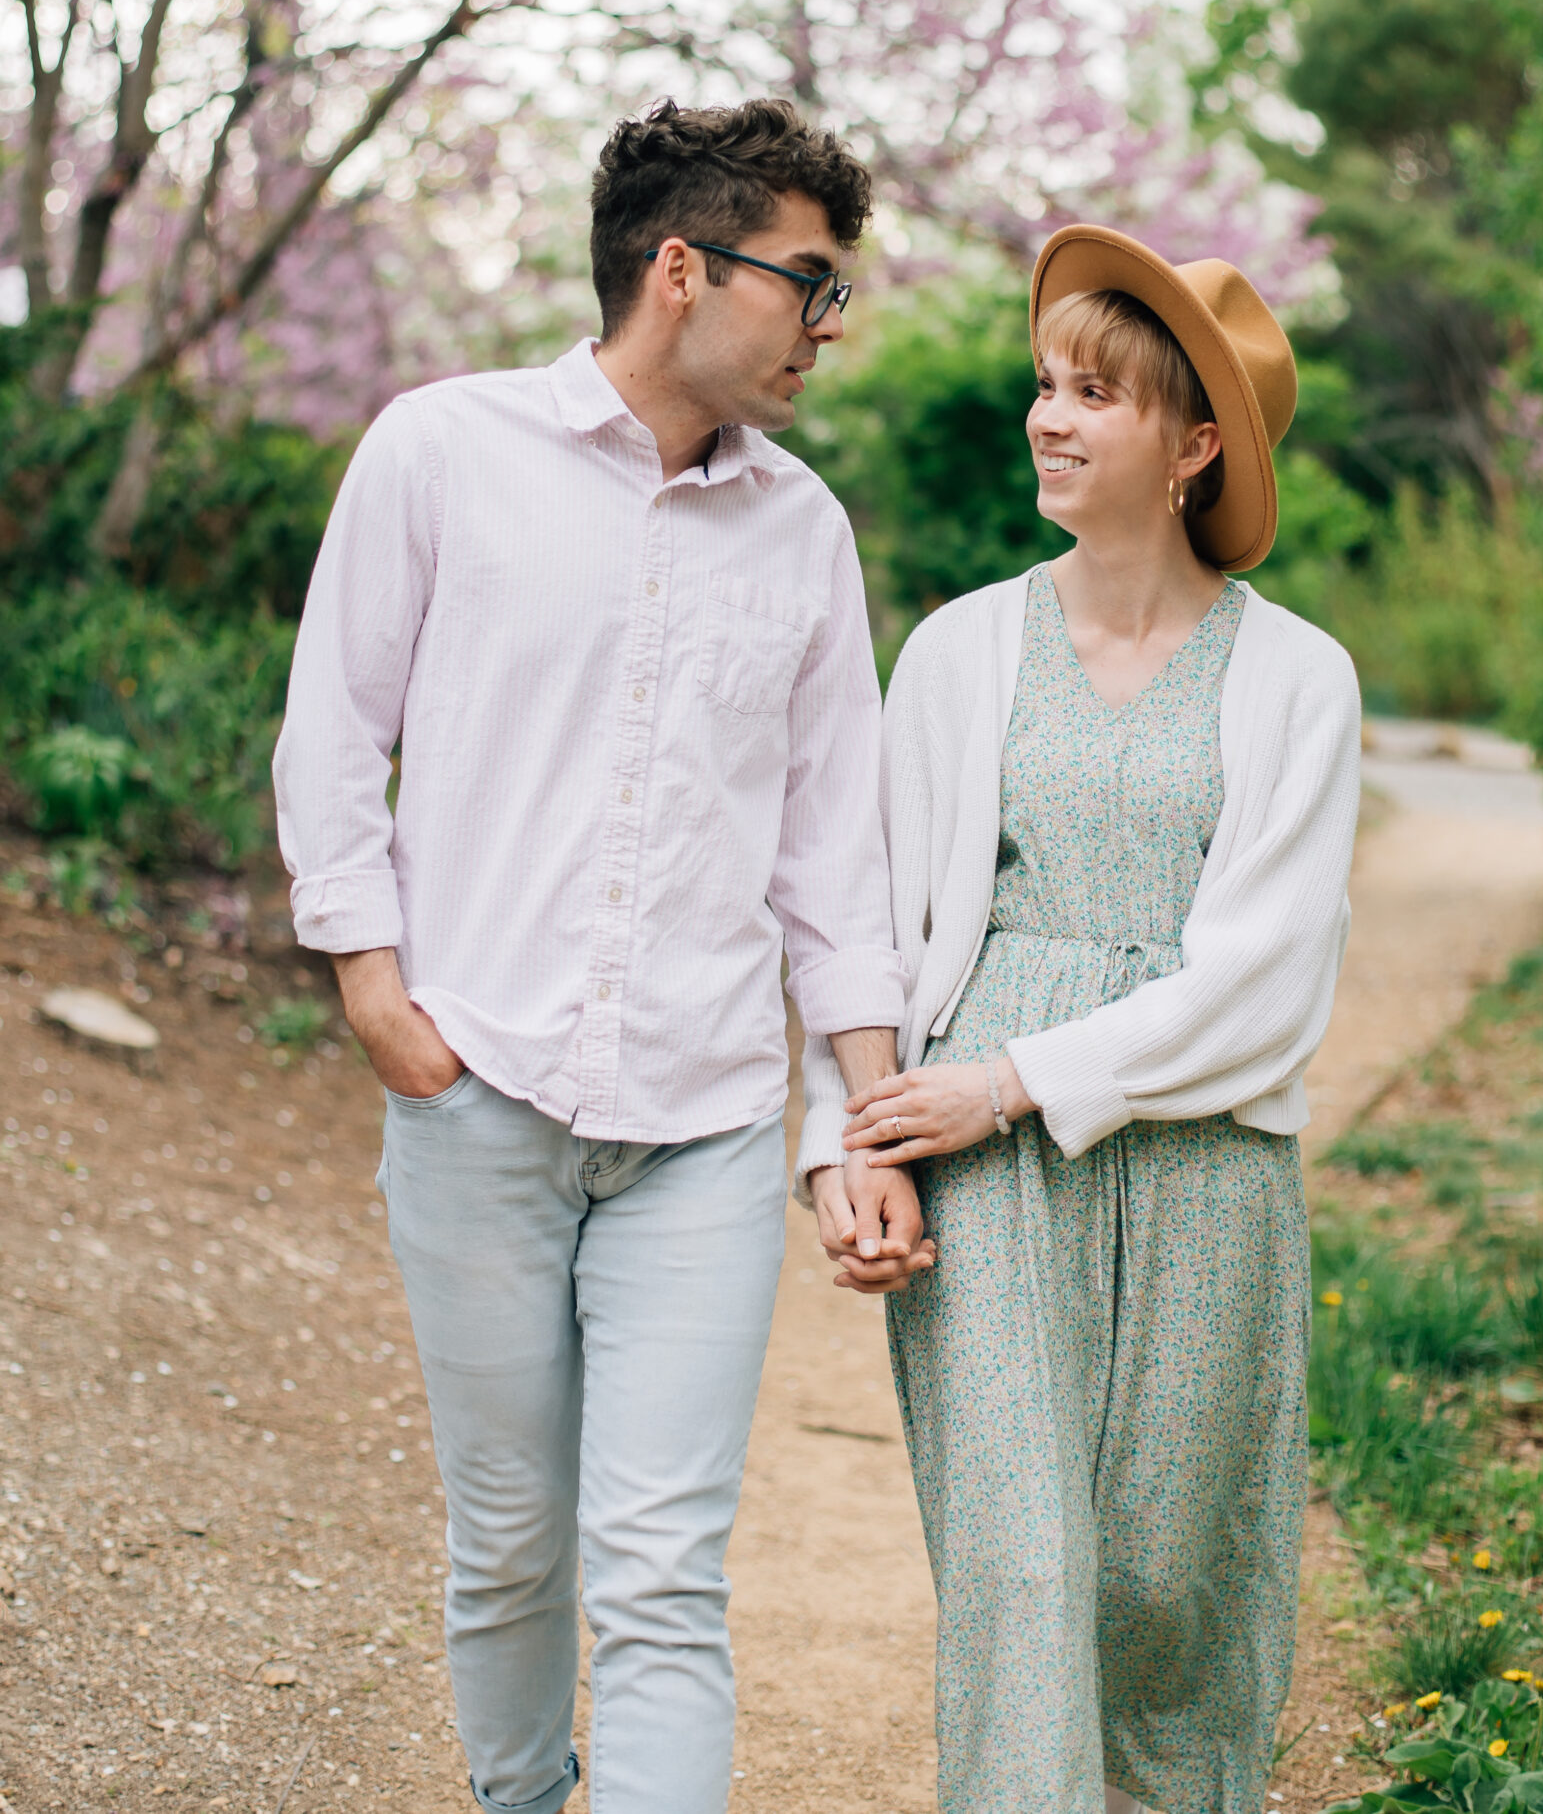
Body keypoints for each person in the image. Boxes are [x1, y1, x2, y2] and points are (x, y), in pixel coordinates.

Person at [273, 98, 933, 1814]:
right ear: (677, 267)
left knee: (659, 1572)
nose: (827, 324)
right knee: (508, 1547)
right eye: (807, 281)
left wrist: (865, 1114)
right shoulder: (439, 451)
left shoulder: (806, 534)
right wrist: (369, 981)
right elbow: (333, 726)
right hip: (477, 1090)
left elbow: (830, 858)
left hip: (702, 1132)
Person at [799, 222, 1361, 1814]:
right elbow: (878, 927)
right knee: (1021, 1577)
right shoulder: (962, 648)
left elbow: (1263, 985)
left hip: (1201, 1170)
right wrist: (854, 1147)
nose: (1050, 415)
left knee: (1167, 1584)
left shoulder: (1298, 679)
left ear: (1193, 446)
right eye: (1046, 383)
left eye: (1097, 394)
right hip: (980, 1160)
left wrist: (1019, 1083)